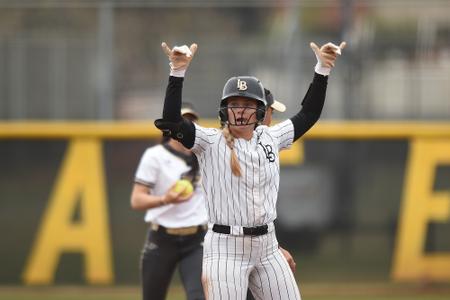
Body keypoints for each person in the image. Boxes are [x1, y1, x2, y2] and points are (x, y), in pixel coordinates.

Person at [156, 40, 345, 300]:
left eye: (246, 104)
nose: (239, 110)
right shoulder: (209, 141)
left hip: (267, 246)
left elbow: (309, 113)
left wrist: (322, 70)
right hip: (225, 247)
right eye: (234, 104)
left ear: (259, 110)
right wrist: (177, 72)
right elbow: (171, 120)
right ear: (225, 109)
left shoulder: (271, 137)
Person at [130, 103, 207, 300]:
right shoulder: (155, 156)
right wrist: (166, 199)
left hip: (197, 239)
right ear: (169, 128)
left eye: (190, 122)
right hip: (161, 238)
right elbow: (137, 200)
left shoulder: (206, 155)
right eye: (180, 122)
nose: (184, 126)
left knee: (199, 297)